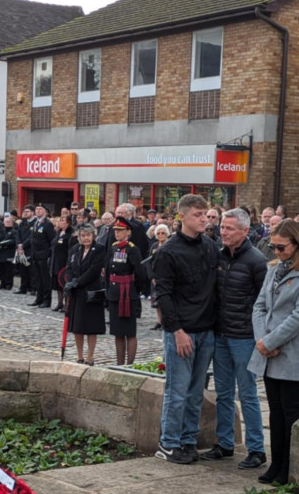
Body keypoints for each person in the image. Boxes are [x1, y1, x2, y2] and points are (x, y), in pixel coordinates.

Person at [249, 219, 299, 483]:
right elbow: (259, 306)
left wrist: (270, 342)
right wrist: (261, 340)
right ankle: (276, 463)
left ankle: (291, 467)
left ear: (296, 244)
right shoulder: (274, 269)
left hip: (289, 351)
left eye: (282, 248)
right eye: (274, 247)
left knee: (290, 411)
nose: (277, 252)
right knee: (274, 410)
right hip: (267, 350)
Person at [152, 194, 220, 464]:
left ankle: (188, 440)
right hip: (181, 331)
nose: (204, 219)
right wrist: (177, 331)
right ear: (182, 217)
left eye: (206, 214)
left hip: (206, 329)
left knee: (195, 392)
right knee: (177, 391)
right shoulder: (168, 251)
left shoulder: (210, 245)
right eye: (197, 215)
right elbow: (164, 296)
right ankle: (168, 443)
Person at [200, 208, 268, 468]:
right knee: (223, 393)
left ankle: (256, 449)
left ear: (244, 231)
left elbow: (264, 304)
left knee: (248, 394)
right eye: (222, 227)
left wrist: (261, 336)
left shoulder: (256, 261)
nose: (222, 232)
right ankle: (225, 443)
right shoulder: (217, 256)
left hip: (244, 337)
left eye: (229, 228)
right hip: (220, 334)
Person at [104, 217, 148, 365]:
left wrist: (135, 290)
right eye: (116, 231)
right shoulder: (113, 247)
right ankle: (119, 363)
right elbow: (108, 269)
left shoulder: (132, 249)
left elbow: (140, 273)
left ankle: (129, 364)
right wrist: (108, 290)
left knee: (129, 331)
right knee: (117, 331)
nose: (118, 234)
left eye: (121, 231)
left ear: (128, 232)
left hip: (128, 293)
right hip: (115, 293)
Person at [63, 224, 106, 365]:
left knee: (91, 327)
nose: (86, 238)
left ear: (93, 236)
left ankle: (90, 356)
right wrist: (70, 282)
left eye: (88, 235)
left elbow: (94, 270)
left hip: (91, 291)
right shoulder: (75, 249)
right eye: (83, 235)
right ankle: (80, 355)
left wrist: (78, 282)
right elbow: (69, 267)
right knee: (77, 327)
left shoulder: (99, 249)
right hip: (76, 293)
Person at [28, 205, 56, 308]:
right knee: (37, 279)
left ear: (45, 212)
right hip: (35, 255)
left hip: (43, 256)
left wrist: (48, 254)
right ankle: (39, 298)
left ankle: (46, 300)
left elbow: (51, 240)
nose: (38, 211)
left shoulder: (47, 224)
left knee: (45, 280)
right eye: (36, 209)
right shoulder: (36, 222)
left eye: (40, 209)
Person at [50, 215, 74, 311]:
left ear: (68, 223)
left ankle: (66, 304)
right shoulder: (59, 232)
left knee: (64, 283)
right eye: (60, 220)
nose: (60, 222)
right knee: (57, 284)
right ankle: (59, 303)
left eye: (63, 220)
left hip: (64, 262)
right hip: (56, 261)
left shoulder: (70, 234)